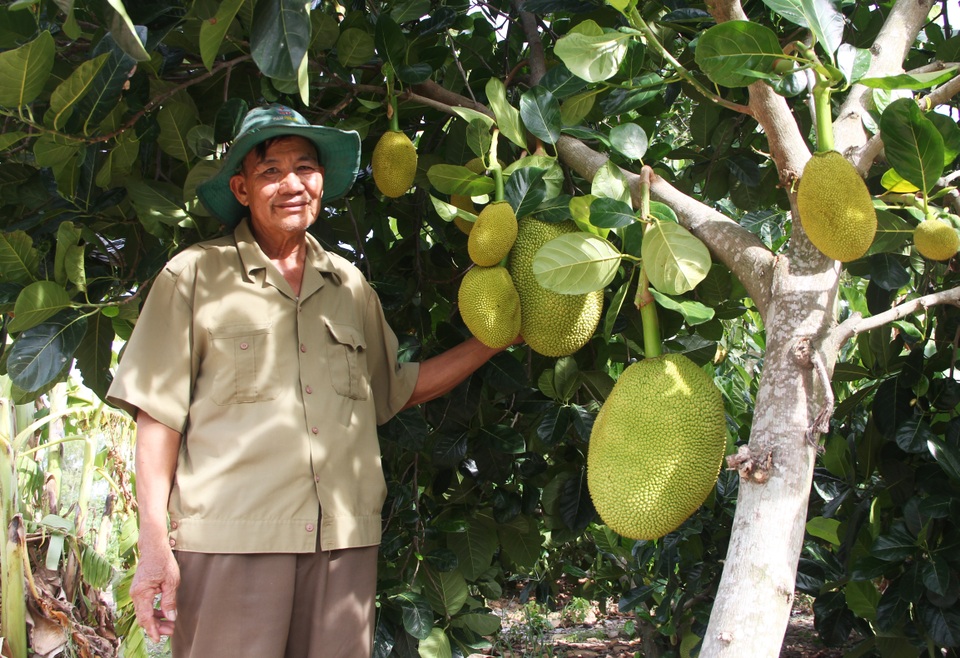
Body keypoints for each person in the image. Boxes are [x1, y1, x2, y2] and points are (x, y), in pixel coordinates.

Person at [106, 104, 516, 658]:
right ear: (242, 188)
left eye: (305, 168)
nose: (292, 184)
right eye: (271, 171)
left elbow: (397, 387)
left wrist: (495, 341)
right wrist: (153, 541)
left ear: (323, 181)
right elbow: (157, 415)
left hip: (343, 547)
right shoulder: (194, 276)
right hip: (232, 547)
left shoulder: (349, 286)